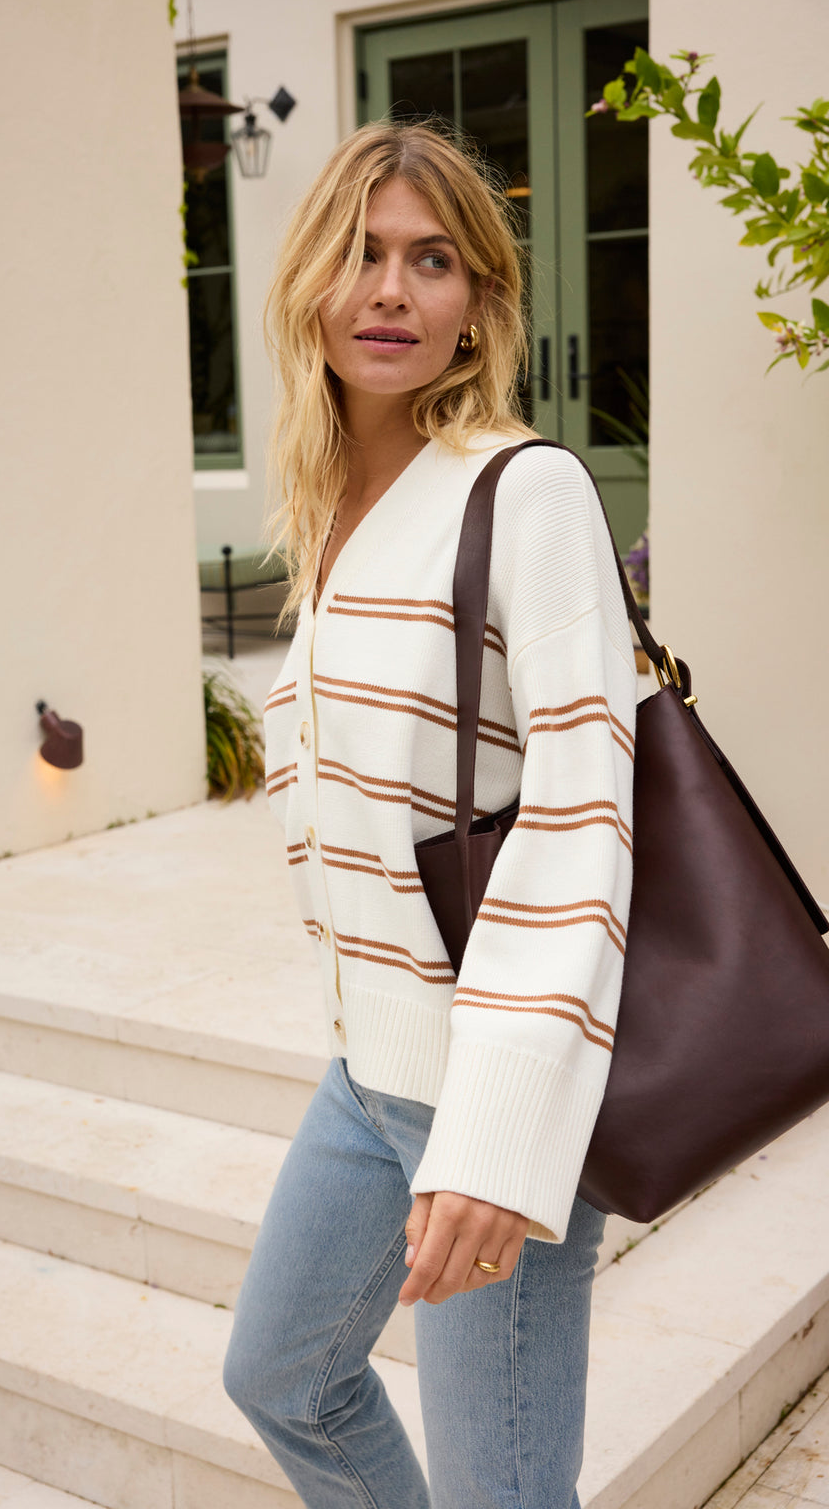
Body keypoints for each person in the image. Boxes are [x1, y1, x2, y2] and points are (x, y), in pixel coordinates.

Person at [223, 121, 637, 1509]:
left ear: (478, 308)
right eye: (361, 253)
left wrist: (501, 1138)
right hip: (366, 1067)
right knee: (284, 1376)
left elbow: (583, 818)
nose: (390, 290)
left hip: (490, 1085)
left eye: (432, 259)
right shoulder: (334, 505)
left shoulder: (525, 492)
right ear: (311, 286)